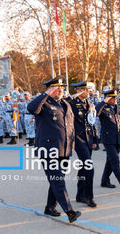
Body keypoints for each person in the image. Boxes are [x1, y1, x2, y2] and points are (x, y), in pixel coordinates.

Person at [27, 75, 81, 223]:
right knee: (58, 180)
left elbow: (70, 125)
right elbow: (31, 108)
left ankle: (50, 207)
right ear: (50, 89)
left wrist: (72, 142)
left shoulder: (65, 104)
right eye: (57, 88)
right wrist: (46, 94)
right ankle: (69, 211)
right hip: (48, 149)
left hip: (65, 148)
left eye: (62, 88)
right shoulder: (43, 104)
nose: (60, 90)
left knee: (57, 179)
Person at [96, 88, 120, 192]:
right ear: (108, 98)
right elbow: (95, 112)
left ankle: (104, 180)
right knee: (115, 161)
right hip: (108, 138)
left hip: (117, 138)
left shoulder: (118, 107)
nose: (115, 99)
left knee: (110, 161)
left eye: (116, 97)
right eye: (113, 97)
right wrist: (104, 102)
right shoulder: (103, 107)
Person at [68, 81, 97, 208]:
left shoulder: (89, 103)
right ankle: (88, 197)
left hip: (88, 138)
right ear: (79, 90)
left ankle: (80, 194)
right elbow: (63, 104)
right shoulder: (72, 103)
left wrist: (95, 138)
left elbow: (92, 121)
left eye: (88, 89)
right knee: (89, 167)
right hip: (78, 139)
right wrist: (72, 96)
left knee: (83, 167)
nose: (88, 91)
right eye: (86, 89)